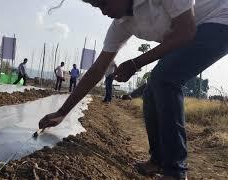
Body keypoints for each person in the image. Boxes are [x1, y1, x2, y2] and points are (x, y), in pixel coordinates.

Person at [39, 0, 228, 179]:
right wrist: (62, 112)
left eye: (104, 2)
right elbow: (98, 69)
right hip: (191, 32)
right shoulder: (121, 24)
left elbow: (185, 32)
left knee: (164, 79)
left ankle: (176, 171)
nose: (104, 11)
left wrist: (136, 63)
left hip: (219, 19)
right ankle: (158, 160)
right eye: (98, 7)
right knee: (152, 89)